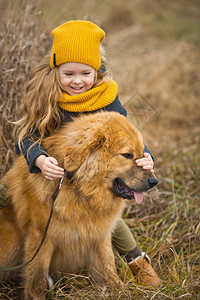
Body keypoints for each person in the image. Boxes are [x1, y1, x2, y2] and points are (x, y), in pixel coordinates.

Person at [0, 20, 161, 287]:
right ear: (56, 70)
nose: (77, 81)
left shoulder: (107, 96)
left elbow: (129, 136)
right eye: (69, 74)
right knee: (6, 199)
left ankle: (137, 262)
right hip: (48, 170)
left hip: (91, 177)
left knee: (108, 216)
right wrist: (39, 159)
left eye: (85, 73)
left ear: (96, 72)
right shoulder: (46, 93)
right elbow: (26, 137)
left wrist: (146, 157)